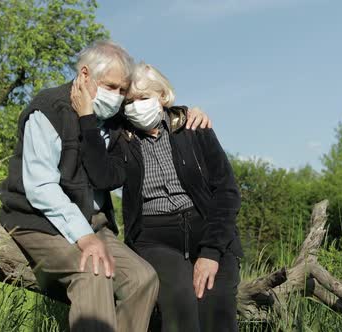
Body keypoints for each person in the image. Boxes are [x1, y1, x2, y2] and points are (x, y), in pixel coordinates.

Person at [0, 41, 211, 332]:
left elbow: (159, 109)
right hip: (38, 221)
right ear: (84, 76)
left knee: (142, 278)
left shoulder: (114, 119)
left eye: (122, 90)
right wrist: (84, 236)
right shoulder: (48, 110)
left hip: (94, 222)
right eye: (111, 86)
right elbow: (41, 187)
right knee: (94, 273)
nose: (118, 97)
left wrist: (190, 114)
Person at [72, 63, 243, 332]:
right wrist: (87, 120)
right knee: (180, 309)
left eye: (143, 98)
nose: (135, 106)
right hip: (154, 235)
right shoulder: (122, 136)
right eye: (129, 101)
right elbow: (103, 177)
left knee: (216, 313)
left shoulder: (193, 127)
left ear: (162, 97)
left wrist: (210, 252)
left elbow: (227, 191)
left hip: (209, 231)